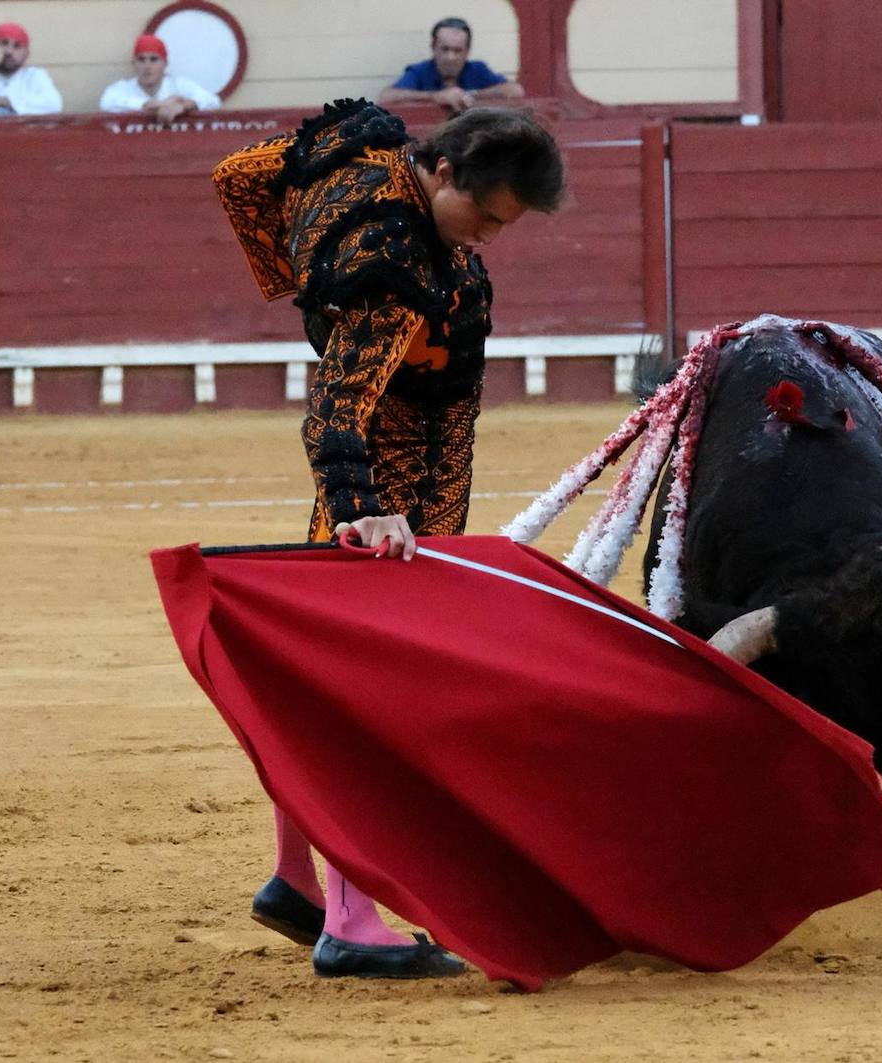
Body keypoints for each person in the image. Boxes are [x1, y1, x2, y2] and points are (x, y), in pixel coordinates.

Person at [212, 98, 564, 978]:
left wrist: (301, 286)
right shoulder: (394, 261)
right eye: (483, 215)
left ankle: (297, 878)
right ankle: (348, 916)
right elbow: (334, 408)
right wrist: (357, 506)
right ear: (443, 171)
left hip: (402, 477)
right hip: (390, 492)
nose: (488, 236)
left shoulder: (366, 168)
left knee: (319, 685)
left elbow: (242, 178)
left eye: (503, 226)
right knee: (372, 700)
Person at [379, 16, 524, 114]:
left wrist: (470, 94)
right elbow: (387, 96)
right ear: (433, 47)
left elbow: (515, 90)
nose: (450, 57)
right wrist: (436, 96)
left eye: (457, 50)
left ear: (467, 51)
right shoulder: (420, 71)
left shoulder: (477, 69)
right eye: (445, 49)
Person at [98, 33, 221, 121]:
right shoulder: (123, 87)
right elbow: (107, 103)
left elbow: (213, 101)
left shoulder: (179, 84)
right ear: (134, 64)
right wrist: (155, 105)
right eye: (141, 60)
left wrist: (184, 106)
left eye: (153, 59)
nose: (147, 66)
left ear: (165, 63)